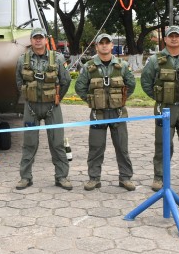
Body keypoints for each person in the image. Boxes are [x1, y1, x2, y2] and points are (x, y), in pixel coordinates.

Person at [140, 25, 179, 192]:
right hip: (165, 109)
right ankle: (159, 177)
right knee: (162, 144)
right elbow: (146, 82)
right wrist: (160, 96)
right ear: (165, 39)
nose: (174, 39)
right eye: (171, 36)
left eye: (177, 36)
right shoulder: (155, 60)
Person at [75, 33, 135, 191]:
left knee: (122, 147)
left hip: (118, 113)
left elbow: (131, 84)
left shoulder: (121, 65)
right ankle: (94, 178)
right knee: (96, 147)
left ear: (111, 46)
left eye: (107, 43)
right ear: (96, 46)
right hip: (98, 114)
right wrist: (92, 101)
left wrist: (121, 99)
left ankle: (125, 178)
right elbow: (80, 87)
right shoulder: (89, 67)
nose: (104, 45)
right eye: (101, 43)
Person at [15, 28, 71, 190]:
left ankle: (61, 177)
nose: (38, 40)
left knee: (57, 143)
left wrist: (57, 98)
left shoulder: (58, 58)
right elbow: (19, 81)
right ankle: (25, 177)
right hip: (31, 107)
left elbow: (66, 81)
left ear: (45, 40)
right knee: (29, 143)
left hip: (52, 107)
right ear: (31, 41)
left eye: (41, 38)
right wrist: (29, 95)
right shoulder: (22, 60)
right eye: (35, 38)